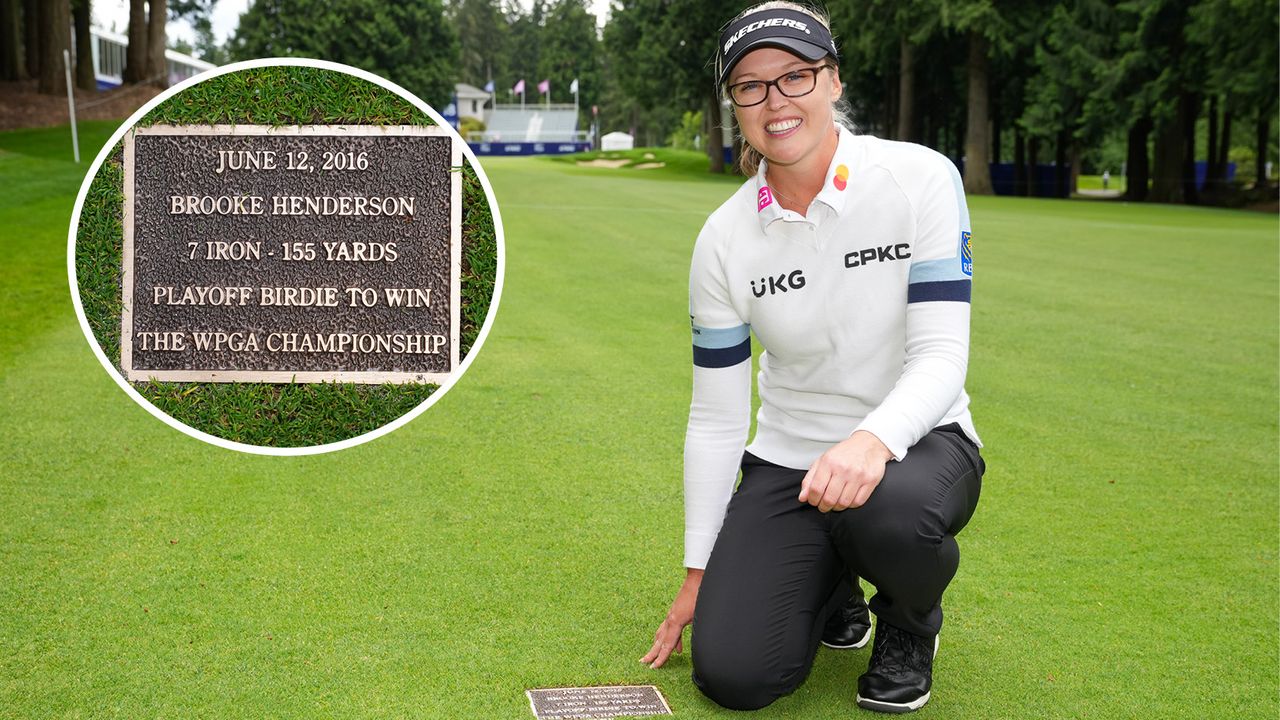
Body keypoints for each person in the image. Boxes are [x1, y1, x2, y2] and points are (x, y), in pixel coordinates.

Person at [640, 2, 985, 714]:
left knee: (889, 514)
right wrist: (699, 569)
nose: (775, 101)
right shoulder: (724, 237)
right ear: (733, 105)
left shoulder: (919, 178)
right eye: (750, 86)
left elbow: (942, 353)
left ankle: (909, 626)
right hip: (790, 463)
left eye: (794, 76)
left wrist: (871, 441)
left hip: (919, 447)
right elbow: (716, 417)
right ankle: (833, 586)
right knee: (734, 676)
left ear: (832, 80)